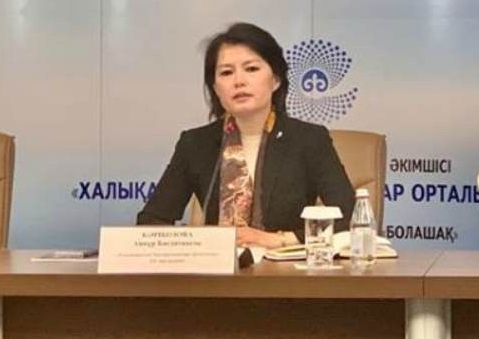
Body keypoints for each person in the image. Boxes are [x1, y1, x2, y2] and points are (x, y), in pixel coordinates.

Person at [137, 23, 355, 248]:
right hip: (218, 266)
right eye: (226, 72)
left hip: (285, 267)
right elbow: (152, 221)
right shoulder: (195, 144)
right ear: (216, 88)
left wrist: (278, 239)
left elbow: (350, 219)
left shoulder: (309, 139)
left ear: (276, 80)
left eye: (251, 69)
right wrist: (195, 244)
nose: (239, 81)